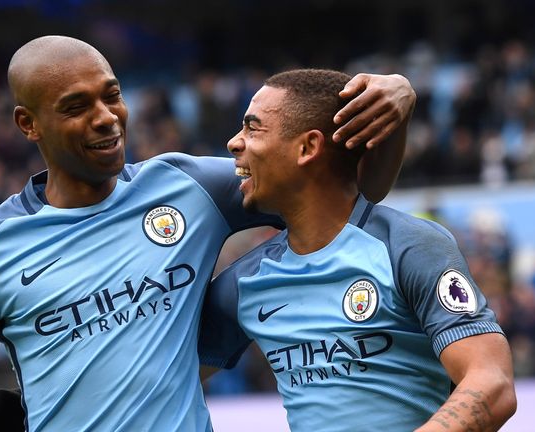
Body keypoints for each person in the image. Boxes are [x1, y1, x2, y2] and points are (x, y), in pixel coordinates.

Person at [0, 35, 416, 432]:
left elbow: (349, 197)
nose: (107, 119)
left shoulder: (188, 186)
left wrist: (398, 95)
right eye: (77, 107)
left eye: (112, 96)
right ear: (27, 123)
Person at [198, 69, 517, 431]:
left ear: (308, 148)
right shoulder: (246, 282)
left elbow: (492, 384)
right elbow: (161, 375)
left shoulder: (409, 245)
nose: (234, 143)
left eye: (253, 128)